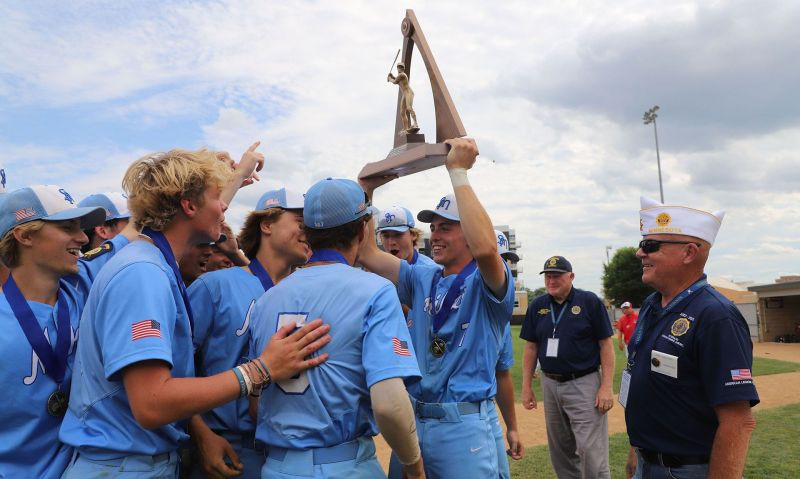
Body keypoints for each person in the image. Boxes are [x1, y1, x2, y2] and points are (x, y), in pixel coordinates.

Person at [59, 146, 331, 478]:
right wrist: (261, 370)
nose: (225, 206)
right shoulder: (143, 274)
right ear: (188, 206)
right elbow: (152, 402)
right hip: (125, 466)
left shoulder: (151, 265)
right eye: (218, 197)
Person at [358, 138, 515, 478]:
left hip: (462, 426)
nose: (435, 235)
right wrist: (366, 192)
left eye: (447, 227)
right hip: (415, 419)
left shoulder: (487, 284)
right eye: (433, 227)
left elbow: (487, 250)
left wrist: (458, 173)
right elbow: (368, 254)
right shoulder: (422, 277)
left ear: (469, 234)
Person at [248, 178, 424, 478]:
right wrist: (414, 466)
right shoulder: (375, 290)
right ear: (362, 230)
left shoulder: (266, 300)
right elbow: (388, 403)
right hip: (343, 464)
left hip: (276, 466)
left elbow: (256, 402)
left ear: (307, 233)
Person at [623, 197, 759, 479]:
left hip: (687, 471)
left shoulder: (716, 316)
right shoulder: (652, 304)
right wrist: (636, 451)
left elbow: (738, 421)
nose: (639, 253)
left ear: (689, 253)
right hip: (647, 463)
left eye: (650, 246)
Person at [187, 187, 310, 479]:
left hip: (291, 451)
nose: (311, 233)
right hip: (228, 448)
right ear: (267, 224)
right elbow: (175, 371)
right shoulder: (214, 286)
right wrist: (201, 435)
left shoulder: (307, 294)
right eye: (302, 224)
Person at [0, 185, 105, 478]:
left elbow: (157, 229)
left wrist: (232, 180)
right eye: (67, 227)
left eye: (81, 227)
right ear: (25, 235)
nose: (83, 238)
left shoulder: (83, 289)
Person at [520, 255, 614, 479]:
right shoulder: (538, 306)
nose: (551, 281)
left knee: (590, 450)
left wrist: (606, 387)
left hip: (584, 382)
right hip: (550, 383)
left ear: (571, 276)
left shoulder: (589, 301)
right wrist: (526, 387)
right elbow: (531, 348)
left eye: (557, 276)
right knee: (560, 450)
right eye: (548, 276)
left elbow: (606, 345)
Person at [492, 230, 523, 478]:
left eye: (506, 259)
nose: (502, 266)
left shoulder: (501, 320)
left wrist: (512, 428)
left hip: (484, 412)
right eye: (496, 258)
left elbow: (502, 373)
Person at [387, 62, 419, 134]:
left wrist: (390, 78)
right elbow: (397, 80)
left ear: (403, 68)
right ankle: (405, 128)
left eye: (401, 67)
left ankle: (415, 123)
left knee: (409, 108)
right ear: (397, 68)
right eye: (399, 67)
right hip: (404, 94)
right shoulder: (399, 76)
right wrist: (392, 76)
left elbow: (395, 81)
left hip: (409, 93)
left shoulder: (402, 74)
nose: (400, 68)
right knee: (402, 112)